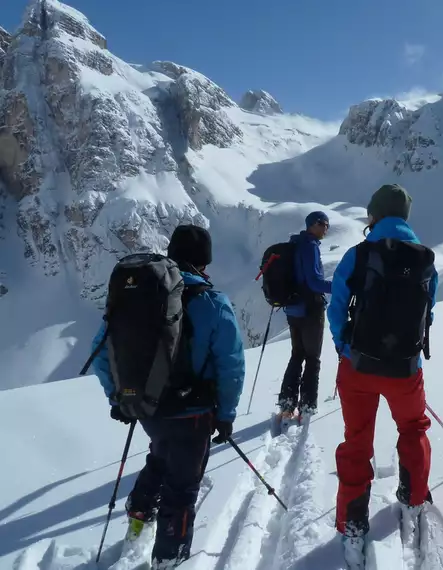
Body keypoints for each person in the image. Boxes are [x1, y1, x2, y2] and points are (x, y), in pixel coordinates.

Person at [91, 224, 245, 569]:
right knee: (182, 489)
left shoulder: (139, 295)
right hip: (194, 413)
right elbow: (230, 364)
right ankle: (169, 559)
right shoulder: (212, 301)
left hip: (147, 407)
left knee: (160, 454)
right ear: (204, 263)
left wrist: (119, 398)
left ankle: (139, 513)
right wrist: (227, 413)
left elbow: (100, 352)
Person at [328, 184, 438, 568]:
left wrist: (346, 349)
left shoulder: (358, 255)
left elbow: (336, 308)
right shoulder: (424, 259)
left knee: (357, 441)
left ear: (373, 215)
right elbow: (429, 311)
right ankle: (414, 497)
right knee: (413, 428)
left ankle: (353, 522)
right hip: (405, 370)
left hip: (358, 367)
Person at [277, 210, 332, 417]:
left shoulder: (295, 244)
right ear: (311, 224)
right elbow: (314, 282)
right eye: (322, 223)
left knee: (297, 354)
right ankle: (307, 405)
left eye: (327, 224)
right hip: (310, 308)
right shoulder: (310, 246)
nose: (325, 227)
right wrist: (341, 287)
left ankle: (286, 403)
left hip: (293, 308)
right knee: (312, 357)